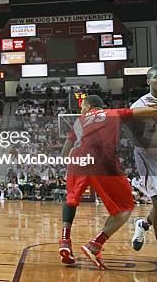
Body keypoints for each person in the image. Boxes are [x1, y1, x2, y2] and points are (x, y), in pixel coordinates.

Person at [58, 95, 157, 270]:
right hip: (103, 161)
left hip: (78, 159)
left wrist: (69, 163)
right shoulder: (113, 113)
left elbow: (66, 149)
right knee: (125, 207)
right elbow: (144, 111)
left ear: (87, 106)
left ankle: (65, 241)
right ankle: (95, 244)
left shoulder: (80, 121)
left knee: (71, 199)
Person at [130, 65, 157, 250]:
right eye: (156, 77)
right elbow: (137, 140)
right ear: (148, 81)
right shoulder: (140, 106)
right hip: (148, 157)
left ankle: (144, 224)